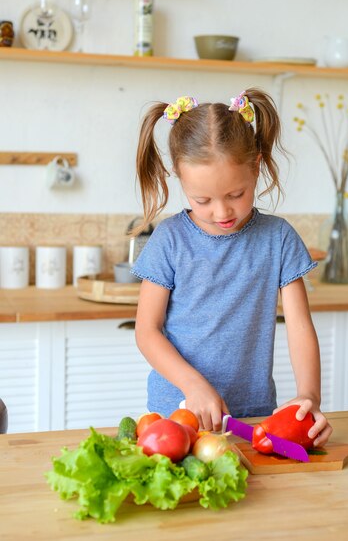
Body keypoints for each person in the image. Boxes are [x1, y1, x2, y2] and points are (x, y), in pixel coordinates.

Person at [132, 88, 332, 447]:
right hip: (176, 414)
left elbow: (299, 325)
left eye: (235, 195)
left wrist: (309, 396)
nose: (222, 212)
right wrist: (194, 385)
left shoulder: (279, 238)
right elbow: (147, 330)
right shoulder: (170, 239)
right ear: (181, 178)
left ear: (256, 167)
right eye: (202, 200)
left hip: (253, 416)